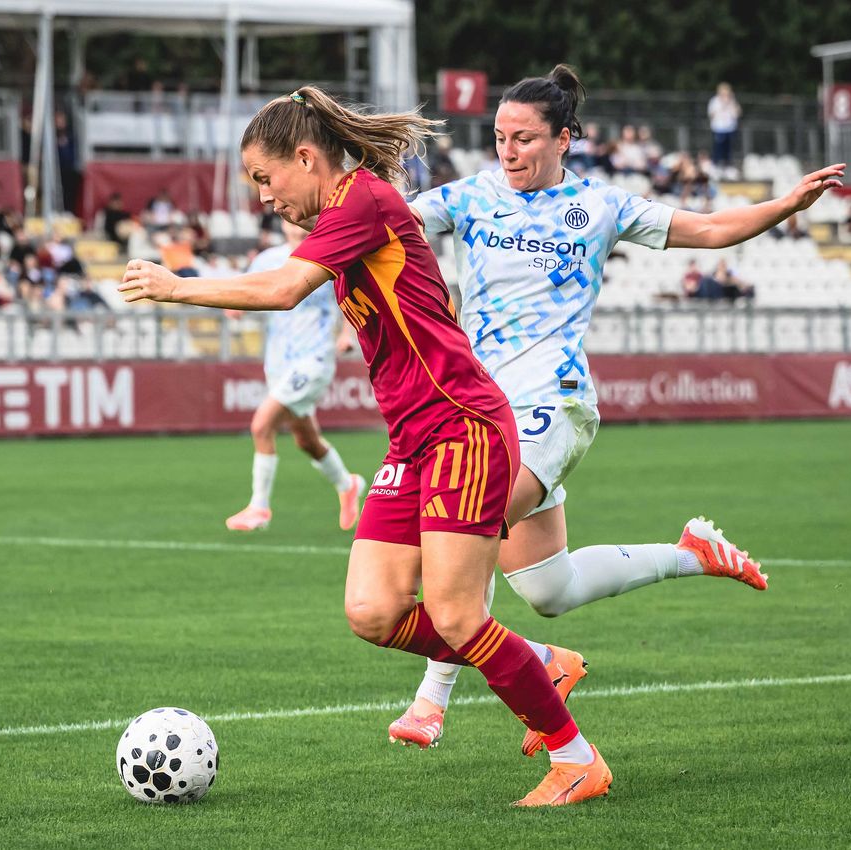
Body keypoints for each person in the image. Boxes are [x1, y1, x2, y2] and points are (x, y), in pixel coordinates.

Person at [120, 85, 612, 807]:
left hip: (463, 429)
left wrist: (177, 286)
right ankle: (538, 661)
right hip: (415, 440)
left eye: (265, 178)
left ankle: (576, 761)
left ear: (306, 157)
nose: (262, 195)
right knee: (373, 612)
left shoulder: (363, 200)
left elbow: (285, 289)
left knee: (454, 616)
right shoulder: (348, 213)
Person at [393, 64, 843, 752]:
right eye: (498, 137)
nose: (507, 151)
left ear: (564, 139)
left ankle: (432, 699)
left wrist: (782, 207)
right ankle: (691, 554)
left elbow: (713, 227)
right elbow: (391, 222)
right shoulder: (473, 194)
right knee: (549, 588)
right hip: (480, 407)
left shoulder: (600, 207)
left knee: (466, 527)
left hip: (552, 403)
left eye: (523, 139)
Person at [223, 218, 368, 533]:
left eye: (303, 227)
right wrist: (234, 306)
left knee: (261, 425)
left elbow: (348, 300)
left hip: (314, 360)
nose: (296, 229)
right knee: (306, 440)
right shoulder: (268, 260)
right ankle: (348, 483)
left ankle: (259, 507)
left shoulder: (328, 258)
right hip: (277, 362)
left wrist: (346, 334)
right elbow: (249, 290)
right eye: (290, 225)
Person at [708, 82, 741, 172]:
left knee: (728, 148)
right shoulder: (714, 101)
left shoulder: (732, 101)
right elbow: (711, 114)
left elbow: (737, 114)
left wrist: (730, 103)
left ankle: (728, 165)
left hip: (729, 128)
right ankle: (716, 164)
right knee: (718, 147)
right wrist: (722, 106)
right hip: (718, 128)